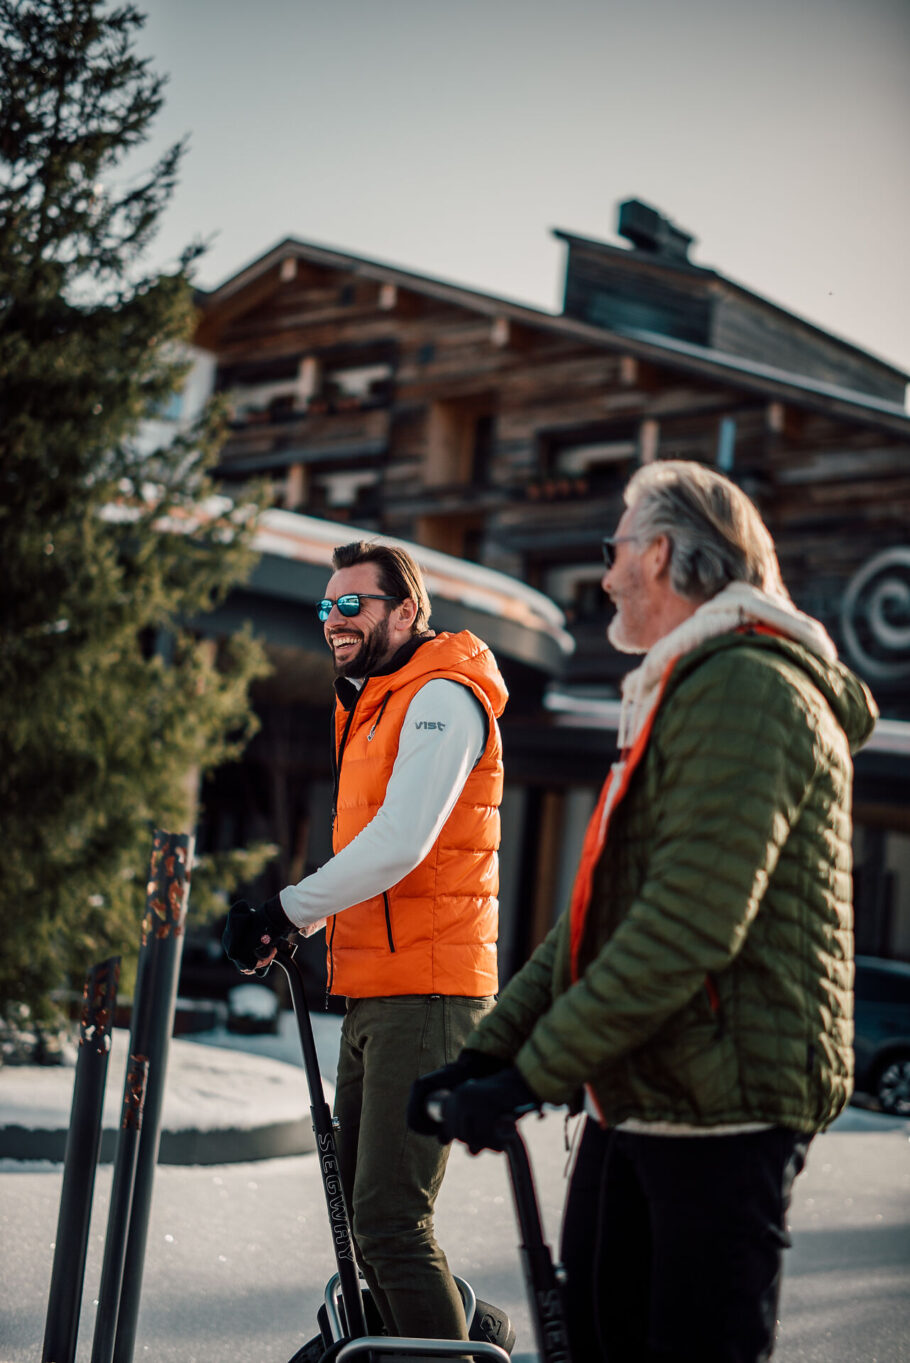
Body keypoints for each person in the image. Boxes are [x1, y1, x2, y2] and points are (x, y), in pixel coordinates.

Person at [409, 460, 878, 1363]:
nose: (606, 571)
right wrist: (491, 1051)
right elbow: (597, 925)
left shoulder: (748, 688)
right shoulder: (684, 688)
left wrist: (531, 1074)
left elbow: (687, 925)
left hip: (724, 1108)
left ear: (661, 554)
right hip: (649, 1096)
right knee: (594, 1336)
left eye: (616, 546)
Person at [223, 540, 508, 1345]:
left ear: (406, 611)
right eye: (327, 605)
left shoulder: (442, 697)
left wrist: (288, 909)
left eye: (353, 603)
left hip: (431, 992)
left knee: (388, 1222)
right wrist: (298, 923)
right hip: (382, 990)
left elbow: (401, 842)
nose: (334, 620)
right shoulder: (375, 703)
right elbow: (375, 856)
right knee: (363, 1222)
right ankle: (479, 1333)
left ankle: (461, 1347)